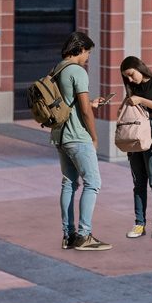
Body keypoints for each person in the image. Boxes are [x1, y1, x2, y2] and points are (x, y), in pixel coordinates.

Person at [52, 31, 112, 252]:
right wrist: (95, 137)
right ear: (80, 49)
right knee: (93, 183)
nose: (88, 57)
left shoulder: (58, 69)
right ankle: (84, 235)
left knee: (69, 183)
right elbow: (85, 110)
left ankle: (68, 235)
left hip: (60, 135)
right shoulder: (78, 71)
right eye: (88, 53)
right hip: (77, 136)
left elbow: (71, 103)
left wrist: (92, 104)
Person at [116, 55, 152, 240]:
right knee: (138, 182)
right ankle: (139, 223)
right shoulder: (132, 87)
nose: (130, 79)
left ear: (139, 68)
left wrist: (140, 100)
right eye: (127, 77)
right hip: (135, 135)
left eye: (131, 74)